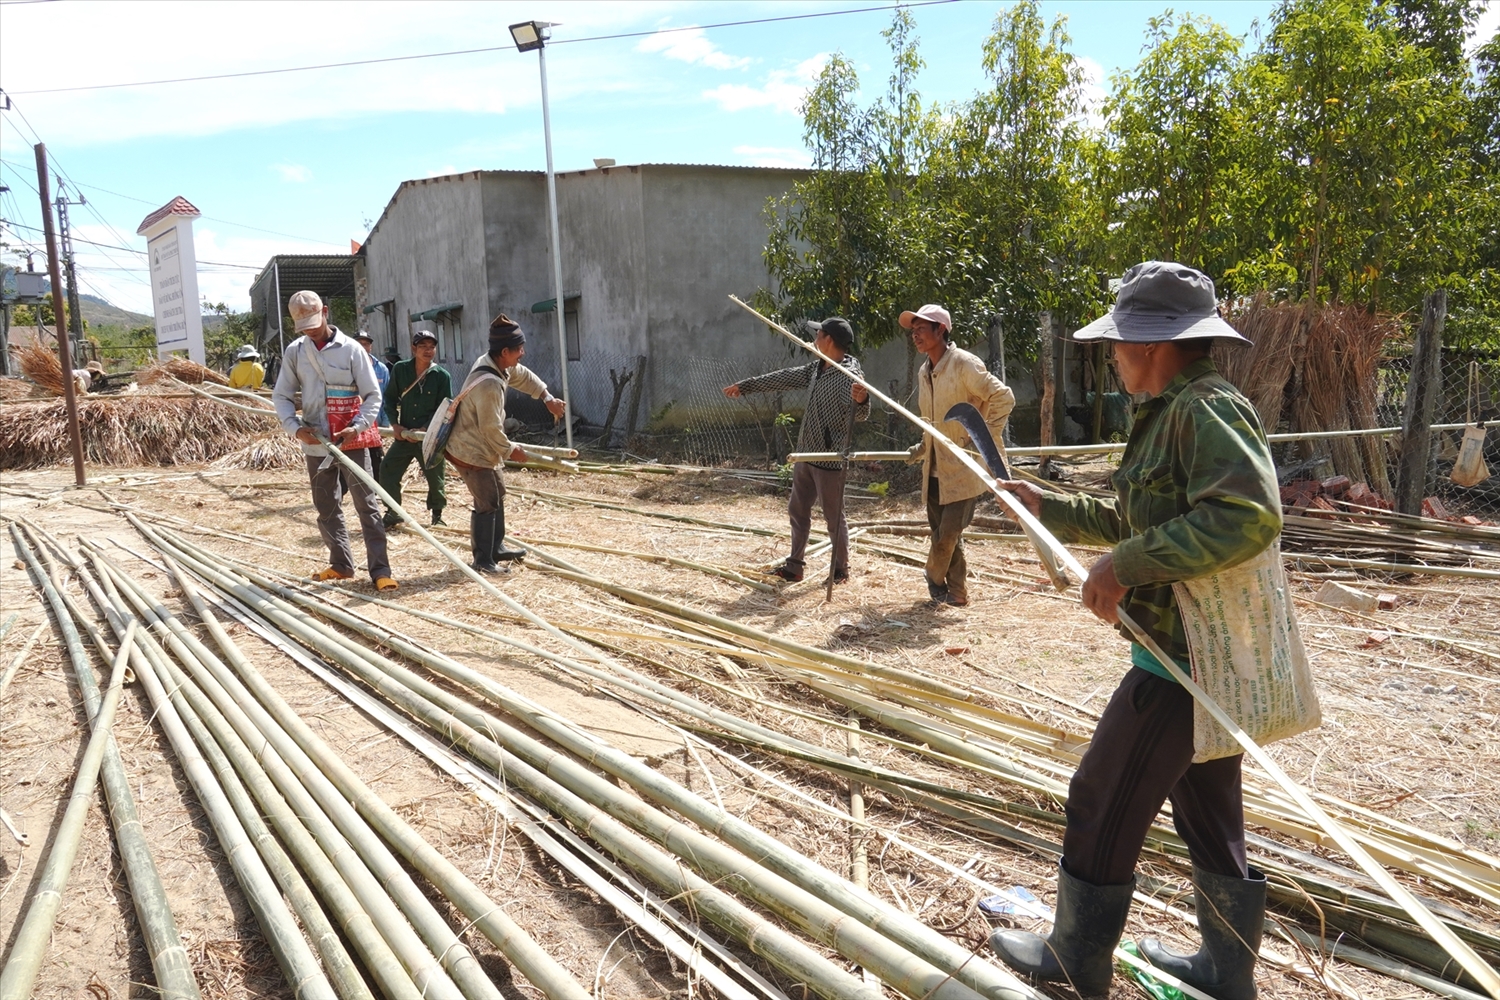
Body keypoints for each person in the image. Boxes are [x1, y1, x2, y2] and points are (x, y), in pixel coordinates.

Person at [990, 262, 1279, 999]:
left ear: (1151, 345)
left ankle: (1076, 959)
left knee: (1100, 795)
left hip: (1183, 659)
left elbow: (1247, 517)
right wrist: (1049, 506)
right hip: (1191, 655)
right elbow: (1141, 518)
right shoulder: (1169, 412)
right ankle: (1224, 970)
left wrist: (1124, 565)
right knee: (1209, 813)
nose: (1112, 356)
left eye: (1117, 344)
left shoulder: (1206, 408)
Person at [723, 318, 869, 582]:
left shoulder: (850, 376)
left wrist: (863, 399)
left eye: (819, 333)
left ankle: (840, 571)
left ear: (829, 340)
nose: (815, 337)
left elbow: (860, 415)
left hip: (829, 459)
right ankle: (795, 566)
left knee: (834, 518)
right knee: (797, 510)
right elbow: (782, 378)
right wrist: (746, 386)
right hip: (805, 454)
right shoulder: (817, 368)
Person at [271, 289, 397, 592]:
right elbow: (282, 395)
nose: (311, 331)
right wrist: (294, 427)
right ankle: (341, 564)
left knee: (367, 506)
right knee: (326, 505)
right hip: (315, 441)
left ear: (325, 312)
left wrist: (358, 426)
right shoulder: (296, 352)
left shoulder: (352, 350)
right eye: (304, 328)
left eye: (314, 323)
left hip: (352, 439)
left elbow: (372, 395)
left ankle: (381, 570)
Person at [902, 303, 1014, 607]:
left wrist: (983, 436)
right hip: (935, 468)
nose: (916, 335)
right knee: (943, 535)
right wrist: (922, 447)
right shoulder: (924, 372)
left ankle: (932, 575)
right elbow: (932, 422)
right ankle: (958, 592)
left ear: (941, 330)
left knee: (948, 535)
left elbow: (1003, 397)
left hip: (965, 469)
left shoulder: (964, 364)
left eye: (922, 328)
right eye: (913, 330)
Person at [444, 313, 565, 573]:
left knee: (497, 494)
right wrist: (511, 450)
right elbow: (491, 429)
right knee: (487, 501)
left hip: (483, 446)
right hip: (471, 449)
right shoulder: (488, 384)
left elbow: (521, 374)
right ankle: (483, 561)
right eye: (519, 349)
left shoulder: (495, 363)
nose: (522, 353)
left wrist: (547, 397)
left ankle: (495, 548)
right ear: (505, 351)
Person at [379, 329, 452, 527]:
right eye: (423, 347)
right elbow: (390, 398)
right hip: (404, 435)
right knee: (387, 470)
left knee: (435, 476)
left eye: (432, 347)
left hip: (429, 436)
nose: (428, 351)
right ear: (414, 348)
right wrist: (395, 424)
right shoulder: (401, 369)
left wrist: (425, 428)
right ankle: (393, 511)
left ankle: (437, 517)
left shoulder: (441, 376)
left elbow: (445, 408)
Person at [354, 330, 390, 480]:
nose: (363, 347)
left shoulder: (381, 369)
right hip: (354, 423)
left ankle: (376, 493)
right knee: (355, 459)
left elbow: (387, 397)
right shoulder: (347, 366)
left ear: (371, 347)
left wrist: (386, 423)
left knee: (376, 459)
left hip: (375, 424)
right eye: (359, 343)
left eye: (366, 344)